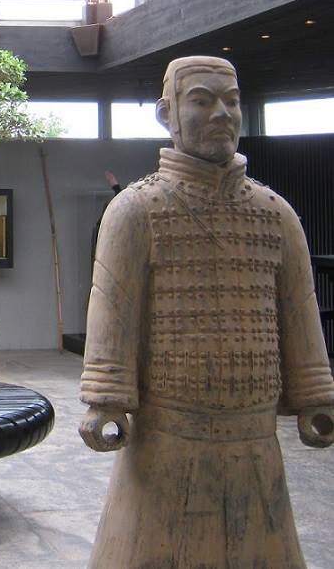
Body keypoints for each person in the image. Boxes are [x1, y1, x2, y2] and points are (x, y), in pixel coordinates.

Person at [79, 56, 334, 568]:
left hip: (256, 440)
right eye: (201, 100)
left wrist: (314, 394)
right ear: (166, 113)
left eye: (232, 101)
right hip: (167, 440)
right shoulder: (135, 210)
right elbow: (113, 307)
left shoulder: (275, 214)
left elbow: (299, 311)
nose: (222, 113)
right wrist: (106, 395)